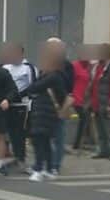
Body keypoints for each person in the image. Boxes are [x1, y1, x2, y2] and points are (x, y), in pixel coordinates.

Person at [25, 41, 70, 182]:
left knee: (41, 140)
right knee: (45, 141)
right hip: (44, 111)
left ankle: (40, 168)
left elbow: (33, 87)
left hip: (47, 112)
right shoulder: (50, 72)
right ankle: (49, 168)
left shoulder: (55, 74)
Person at [0, 42, 38, 172]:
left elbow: (33, 86)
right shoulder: (5, 67)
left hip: (21, 105)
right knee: (5, 133)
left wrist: (18, 96)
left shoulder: (28, 68)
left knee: (19, 134)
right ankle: (7, 159)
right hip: (5, 105)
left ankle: (21, 159)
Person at [85, 43, 110, 160]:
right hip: (97, 103)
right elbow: (93, 83)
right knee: (100, 130)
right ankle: (102, 150)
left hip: (107, 103)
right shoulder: (98, 66)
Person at [46, 37, 75, 176]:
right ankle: (48, 162)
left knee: (59, 135)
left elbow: (70, 87)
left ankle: (55, 165)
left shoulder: (67, 65)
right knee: (45, 136)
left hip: (61, 104)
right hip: (46, 105)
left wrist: (63, 105)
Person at [70, 45, 95, 151]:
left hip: (88, 99)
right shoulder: (74, 66)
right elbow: (70, 81)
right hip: (77, 98)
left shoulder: (90, 67)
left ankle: (87, 142)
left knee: (87, 119)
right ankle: (77, 144)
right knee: (84, 118)